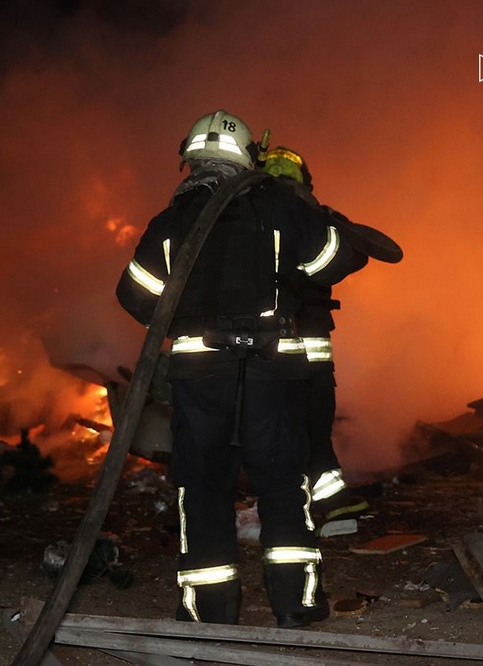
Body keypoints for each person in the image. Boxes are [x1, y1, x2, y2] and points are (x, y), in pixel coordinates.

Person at [116, 110, 366, 628]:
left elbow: (135, 295)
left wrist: (186, 313)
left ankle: (210, 617)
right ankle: (296, 609)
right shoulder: (279, 205)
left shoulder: (170, 222)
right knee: (282, 484)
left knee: (203, 487)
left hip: (200, 376)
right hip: (273, 373)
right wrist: (327, 237)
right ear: (249, 157)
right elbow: (331, 263)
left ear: (191, 161)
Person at [262, 147, 371, 528]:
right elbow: (338, 263)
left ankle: (324, 502)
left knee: (289, 425)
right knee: (309, 423)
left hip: (269, 346)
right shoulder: (308, 215)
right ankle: (314, 506)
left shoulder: (251, 212)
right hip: (304, 342)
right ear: (303, 178)